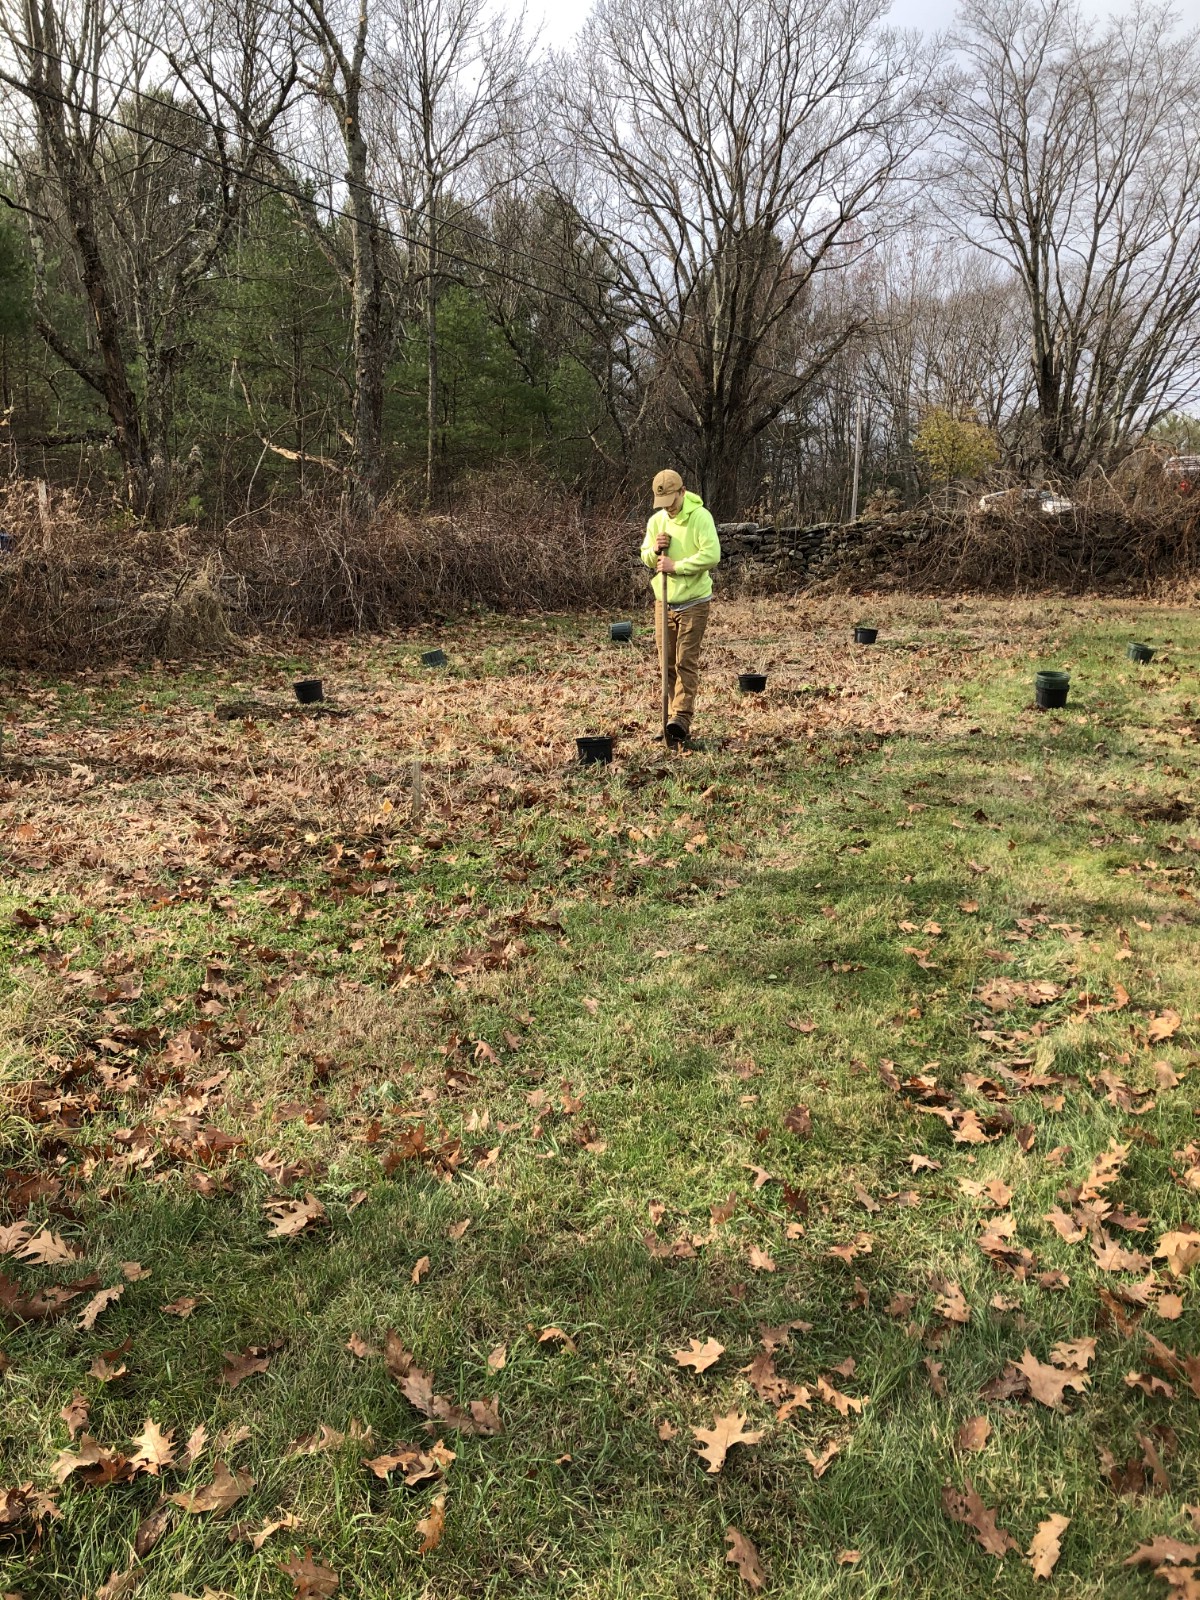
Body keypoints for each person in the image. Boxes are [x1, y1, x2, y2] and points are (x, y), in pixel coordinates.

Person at [640, 469, 721, 744]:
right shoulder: (657, 522)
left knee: (685, 660)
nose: (668, 509)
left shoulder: (700, 517)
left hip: (695, 601)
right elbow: (646, 556)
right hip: (665, 602)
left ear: (682, 492)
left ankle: (681, 719)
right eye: (662, 504)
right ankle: (669, 722)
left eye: (671, 502)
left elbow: (712, 555)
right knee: (667, 663)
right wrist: (654, 551)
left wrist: (677, 567)